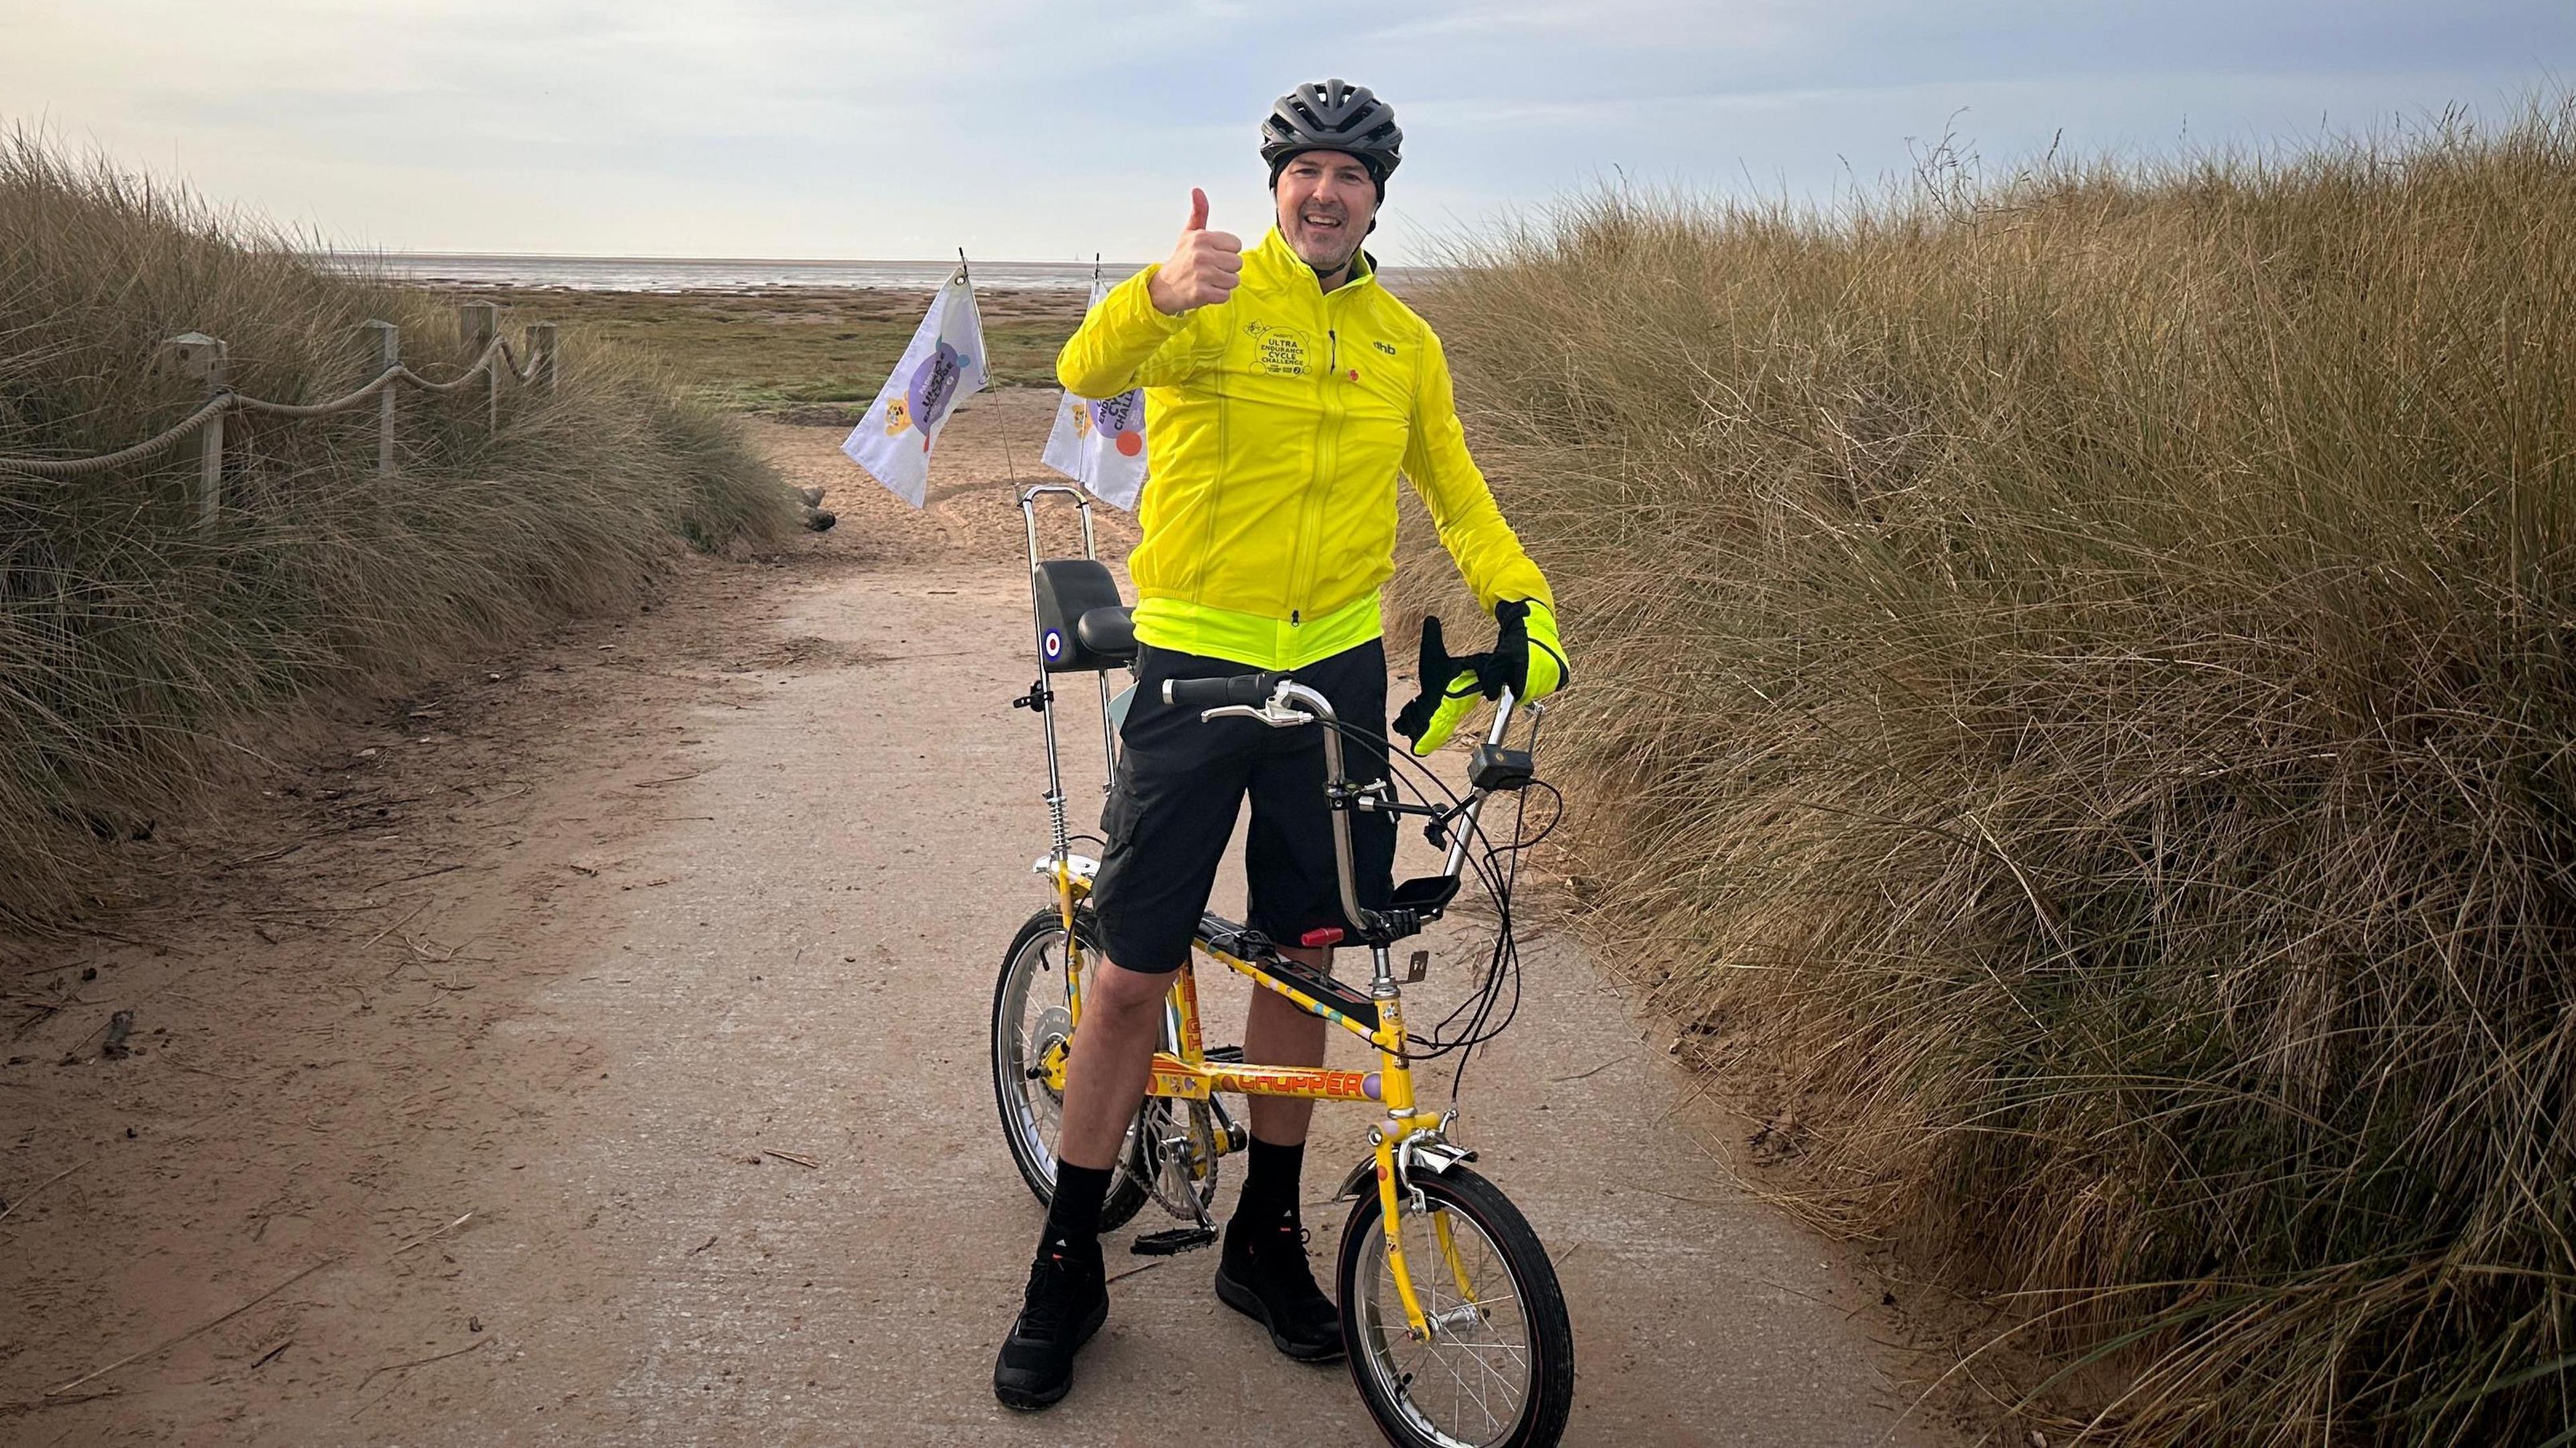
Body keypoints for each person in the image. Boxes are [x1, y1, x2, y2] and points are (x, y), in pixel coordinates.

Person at [992, 78, 1570, 1412]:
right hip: (1196, 661)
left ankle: (1264, 1237)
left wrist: (1527, 601)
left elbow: (1457, 486)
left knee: (1307, 960)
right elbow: (1084, 371)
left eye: (1350, 176)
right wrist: (1152, 294)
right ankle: (1069, 1257)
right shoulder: (1207, 299)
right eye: (1304, 173)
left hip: (1337, 669)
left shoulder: (1403, 343)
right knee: (1134, 975)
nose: (1324, 193)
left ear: (1379, 197)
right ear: (1275, 189)